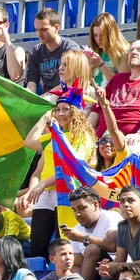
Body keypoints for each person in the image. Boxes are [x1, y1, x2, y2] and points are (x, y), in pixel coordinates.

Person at [21, 80, 97, 258]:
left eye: (66, 109)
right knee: (37, 247)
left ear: (76, 112)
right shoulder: (55, 134)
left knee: (63, 244)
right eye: (58, 109)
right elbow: (29, 141)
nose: (61, 114)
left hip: (67, 194)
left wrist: (41, 184)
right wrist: (45, 117)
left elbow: (72, 167)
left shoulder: (82, 136)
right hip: (45, 194)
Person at [61, 186, 121, 280]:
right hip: (91, 276)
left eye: (81, 208)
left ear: (95, 205)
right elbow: (76, 265)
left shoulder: (111, 217)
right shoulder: (76, 230)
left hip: (115, 271)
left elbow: (113, 245)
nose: (77, 214)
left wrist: (82, 238)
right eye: (74, 210)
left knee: (92, 249)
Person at [26, 8, 79, 94]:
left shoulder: (71, 49)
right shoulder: (35, 52)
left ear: (56, 27)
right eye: (37, 30)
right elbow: (32, 82)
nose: (39, 34)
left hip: (67, 96)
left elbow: (72, 81)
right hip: (47, 100)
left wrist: (46, 96)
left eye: (44, 29)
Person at [86, 12, 130, 88]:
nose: (98, 39)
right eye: (95, 35)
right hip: (92, 97)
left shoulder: (123, 53)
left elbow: (121, 83)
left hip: (111, 97)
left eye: (102, 35)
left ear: (111, 34)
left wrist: (101, 65)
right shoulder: (95, 52)